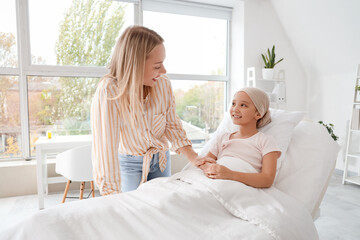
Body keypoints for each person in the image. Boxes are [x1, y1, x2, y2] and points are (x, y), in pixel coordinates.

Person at [91, 26, 214, 195]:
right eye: (157, 66)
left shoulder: (163, 83)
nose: (163, 71)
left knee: (161, 206)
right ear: (135, 64)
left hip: (161, 159)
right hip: (130, 163)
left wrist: (193, 156)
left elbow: (171, 124)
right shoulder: (109, 90)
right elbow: (106, 148)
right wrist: (111, 195)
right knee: (132, 210)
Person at [198, 87, 281, 188]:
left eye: (243, 105)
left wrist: (230, 174)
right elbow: (204, 162)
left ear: (258, 113)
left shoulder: (266, 141)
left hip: (236, 186)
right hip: (212, 181)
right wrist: (212, 169)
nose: (235, 109)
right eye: (233, 104)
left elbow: (267, 180)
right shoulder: (222, 138)